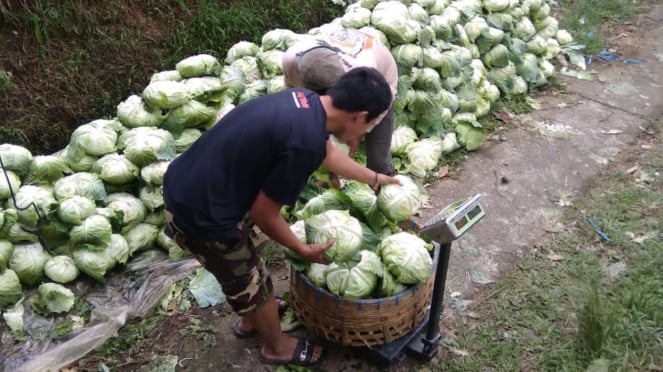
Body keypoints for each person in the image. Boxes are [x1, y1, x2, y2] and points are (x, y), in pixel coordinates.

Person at [162, 67, 400, 367]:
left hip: (192, 182)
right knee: (248, 279)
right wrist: (301, 248)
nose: (364, 135)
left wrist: (375, 178)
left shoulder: (305, 100)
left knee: (249, 269)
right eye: (369, 126)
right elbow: (264, 215)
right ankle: (276, 346)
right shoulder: (304, 142)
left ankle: (254, 319)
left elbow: (328, 155)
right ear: (359, 115)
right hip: (201, 213)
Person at [283, 28, 399, 188]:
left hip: (381, 83)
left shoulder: (363, 78)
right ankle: (319, 183)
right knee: (318, 135)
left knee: (377, 158)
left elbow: (356, 126)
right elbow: (295, 102)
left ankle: (386, 183)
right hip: (338, 60)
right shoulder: (291, 61)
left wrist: (352, 139)